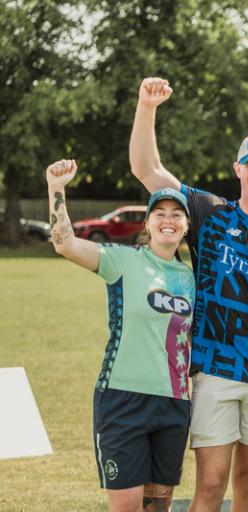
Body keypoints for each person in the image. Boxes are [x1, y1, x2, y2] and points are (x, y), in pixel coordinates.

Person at [129, 77, 248, 512]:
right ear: (238, 169)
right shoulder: (209, 213)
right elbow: (148, 171)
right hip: (214, 371)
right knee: (209, 485)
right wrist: (147, 106)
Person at [46, 159, 195, 512]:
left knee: (159, 507)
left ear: (186, 226)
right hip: (123, 400)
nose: (168, 220)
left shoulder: (190, 278)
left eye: (177, 214)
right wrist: (56, 187)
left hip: (173, 404)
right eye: (160, 213)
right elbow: (65, 244)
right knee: (127, 508)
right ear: (147, 223)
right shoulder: (122, 261)